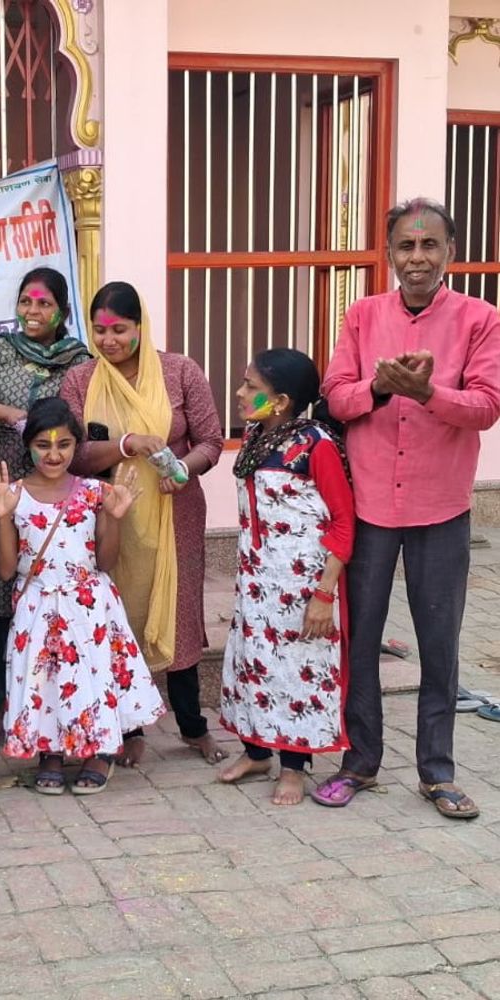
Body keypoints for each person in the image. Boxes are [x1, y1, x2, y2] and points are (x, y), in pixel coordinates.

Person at [313, 198, 500, 820]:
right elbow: (336, 398)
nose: (416, 258)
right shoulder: (363, 316)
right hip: (368, 506)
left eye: (429, 246)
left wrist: (429, 393)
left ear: (450, 252)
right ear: (388, 253)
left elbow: (486, 406)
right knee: (360, 639)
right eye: (404, 247)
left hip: (440, 507)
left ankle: (437, 772)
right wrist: (380, 387)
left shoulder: (480, 319)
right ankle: (360, 762)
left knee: (439, 643)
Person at [60, 281, 225, 767]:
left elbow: (211, 440)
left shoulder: (179, 371)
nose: (109, 340)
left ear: (140, 326)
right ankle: (130, 728)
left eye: (120, 329)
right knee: (120, 616)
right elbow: (76, 454)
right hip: (110, 518)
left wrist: (184, 469)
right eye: (100, 329)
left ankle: (193, 726)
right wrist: (127, 444)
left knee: (180, 613)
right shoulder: (82, 380)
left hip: (176, 513)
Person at [0, 397, 165, 793]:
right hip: (38, 605)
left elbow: (106, 560)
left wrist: (115, 518)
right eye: (43, 445)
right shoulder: (13, 495)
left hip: (89, 605)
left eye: (63, 445)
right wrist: (1, 518)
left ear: (75, 446)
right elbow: (6, 569)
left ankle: (99, 752)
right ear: (28, 445)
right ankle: (51, 751)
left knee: (90, 677)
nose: (53, 454)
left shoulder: (94, 492)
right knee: (45, 679)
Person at [219, 349, 354, 806]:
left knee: (299, 672)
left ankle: (294, 767)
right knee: (254, 663)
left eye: (250, 387)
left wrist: (323, 593)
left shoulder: (315, 444)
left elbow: (342, 522)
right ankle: (256, 752)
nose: (240, 393)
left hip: (302, 587)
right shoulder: (257, 435)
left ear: (279, 400)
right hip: (257, 581)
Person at [0, 268, 90, 750]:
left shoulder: (79, 360)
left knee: (46, 593)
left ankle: (44, 701)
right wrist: (14, 414)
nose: (32, 312)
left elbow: (83, 416)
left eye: (42, 304)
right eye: (25, 302)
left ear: (61, 310)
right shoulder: (0, 349)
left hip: (54, 479)